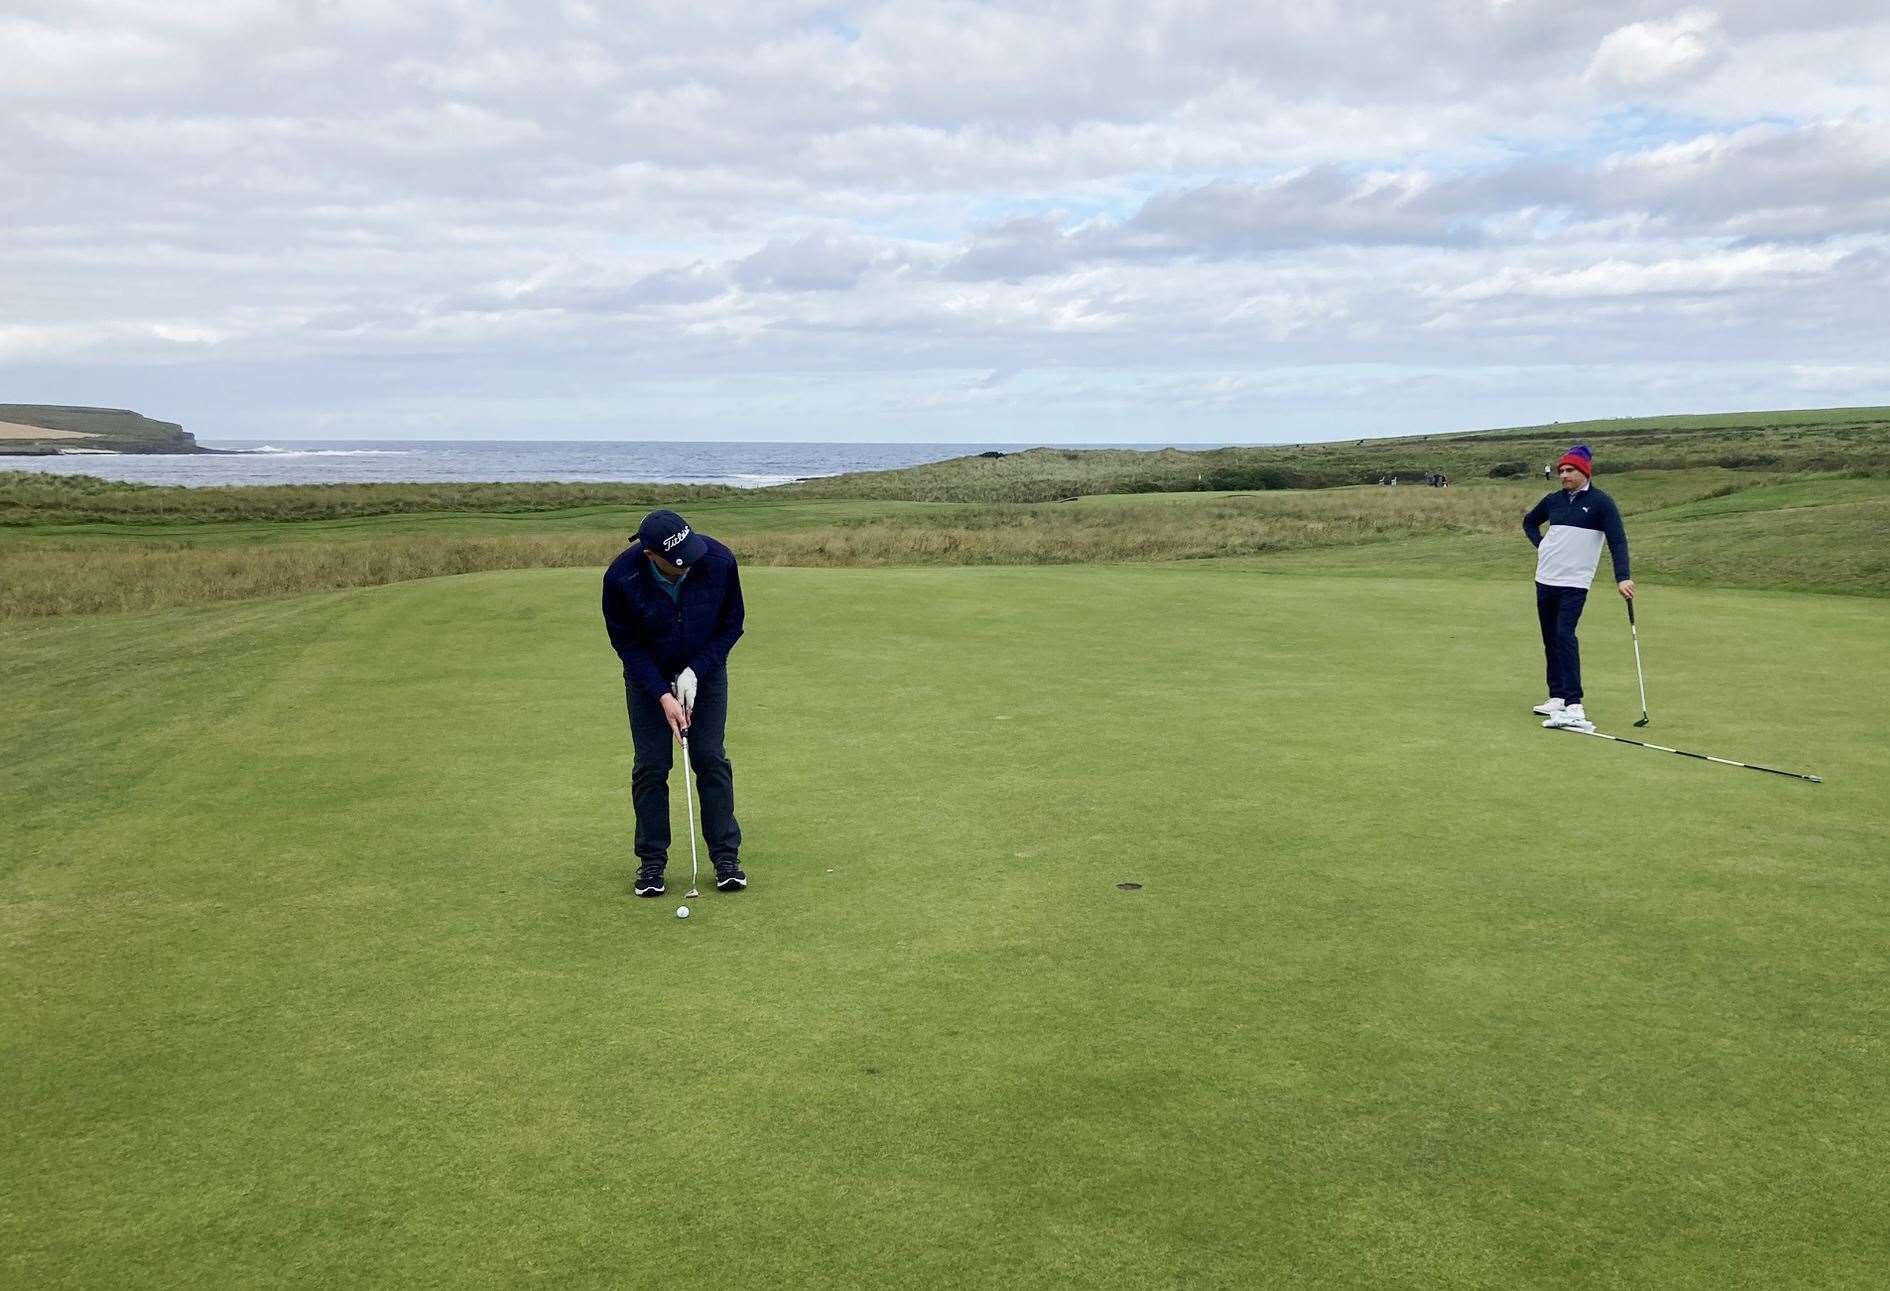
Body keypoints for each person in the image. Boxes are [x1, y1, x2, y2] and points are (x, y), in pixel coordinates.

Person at [602, 509, 748, 897]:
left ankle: (726, 859)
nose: (687, 567)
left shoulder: (717, 561)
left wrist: (696, 671)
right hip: (648, 678)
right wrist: (663, 694)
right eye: (676, 562)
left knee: (710, 758)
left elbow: (732, 624)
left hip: (706, 673)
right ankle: (651, 864)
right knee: (651, 766)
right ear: (651, 555)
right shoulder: (622, 577)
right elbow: (627, 645)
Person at [1523, 444, 1633, 732]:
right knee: (1550, 638)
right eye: (1561, 471)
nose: (1563, 475)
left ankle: (1574, 705)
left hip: (1575, 582)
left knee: (1564, 635)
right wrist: (1542, 545)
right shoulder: (1553, 501)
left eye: (1570, 470)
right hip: (1545, 578)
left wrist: (1623, 577)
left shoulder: (1601, 503)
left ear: (1584, 472)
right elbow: (1529, 522)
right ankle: (1557, 696)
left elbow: (1617, 541)